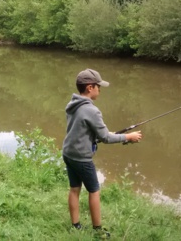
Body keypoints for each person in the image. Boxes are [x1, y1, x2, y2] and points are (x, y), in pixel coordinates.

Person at [62, 68, 142, 238]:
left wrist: (111, 135)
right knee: (94, 191)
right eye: (99, 87)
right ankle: (98, 230)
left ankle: (75, 225)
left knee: (74, 189)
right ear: (90, 87)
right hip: (82, 158)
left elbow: (85, 131)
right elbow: (105, 138)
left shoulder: (73, 105)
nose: (100, 90)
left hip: (68, 153)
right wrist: (128, 136)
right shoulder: (92, 110)